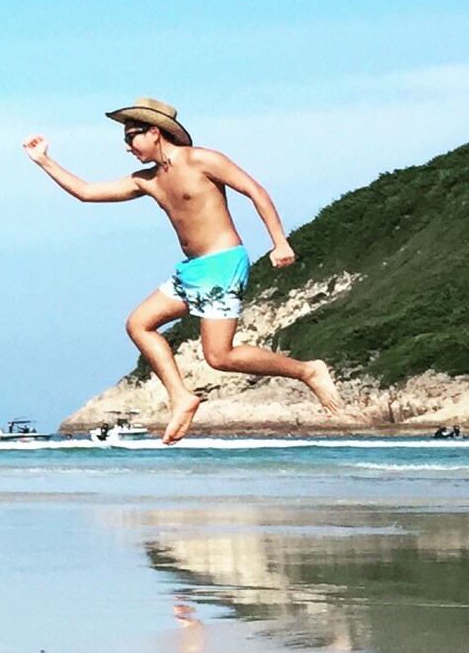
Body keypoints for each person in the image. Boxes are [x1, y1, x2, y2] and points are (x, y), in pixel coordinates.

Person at [23, 96, 342, 444]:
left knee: (219, 356)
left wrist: (280, 242)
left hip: (222, 264)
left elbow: (255, 190)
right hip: (192, 270)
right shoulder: (148, 180)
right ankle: (181, 396)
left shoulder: (202, 160)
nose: (127, 147)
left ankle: (308, 371)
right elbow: (87, 192)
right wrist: (44, 161)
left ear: (155, 132)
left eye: (131, 137)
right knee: (139, 324)